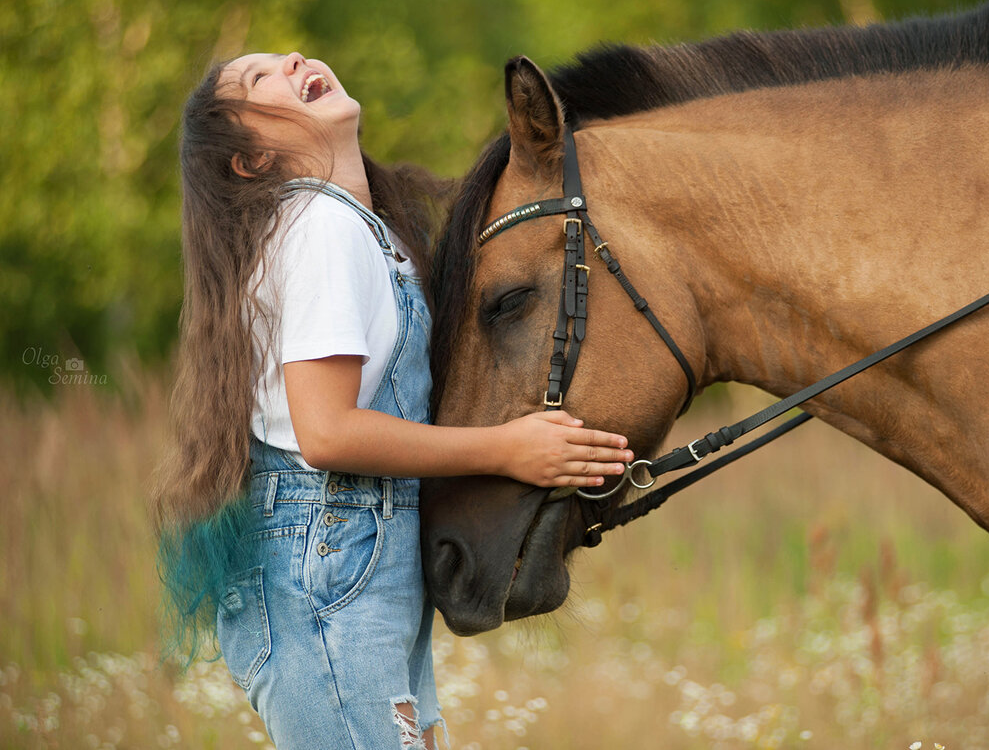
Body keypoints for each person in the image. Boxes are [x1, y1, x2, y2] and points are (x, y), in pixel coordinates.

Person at [153, 52, 633, 749]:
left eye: (284, 56)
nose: (291, 59)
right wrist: (511, 448)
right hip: (325, 571)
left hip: (352, 567)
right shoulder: (318, 226)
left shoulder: (361, 230)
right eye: (259, 81)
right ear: (251, 159)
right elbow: (325, 432)